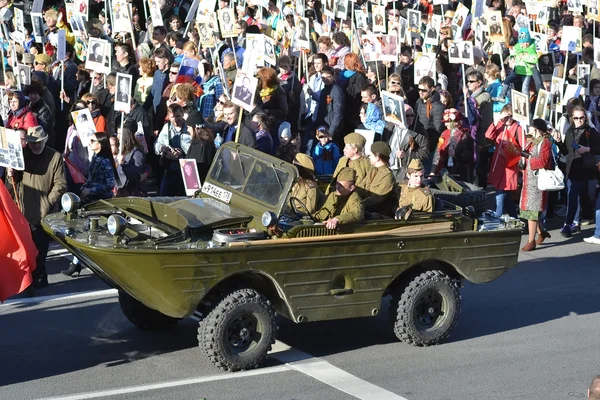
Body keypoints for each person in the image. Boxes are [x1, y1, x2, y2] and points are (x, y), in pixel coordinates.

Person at [3, 125, 66, 289]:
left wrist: (47, 202)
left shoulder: (55, 157)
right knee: (28, 247)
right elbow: (13, 184)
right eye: (32, 142)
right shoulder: (22, 155)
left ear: (44, 140)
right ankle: (37, 277)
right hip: (24, 210)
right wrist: (11, 174)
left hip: (44, 211)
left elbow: (60, 184)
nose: (36, 145)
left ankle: (37, 276)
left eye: (39, 142)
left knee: (40, 247)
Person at [555, 106, 600, 238]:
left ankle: (574, 223)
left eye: (581, 117)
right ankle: (572, 223)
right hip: (573, 170)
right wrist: (558, 142)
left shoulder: (591, 131)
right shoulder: (569, 131)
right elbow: (566, 151)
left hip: (587, 170)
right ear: (572, 118)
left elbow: (598, 148)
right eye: (576, 118)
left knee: (581, 197)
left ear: (585, 118)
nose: (579, 120)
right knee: (573, 197)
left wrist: (587, 149)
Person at [519, 119, 554, 251]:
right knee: (528, 211)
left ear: (536, 128)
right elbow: (525, 155)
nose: (528, 129)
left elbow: (544, 161)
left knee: (532, 211)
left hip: (538, 181)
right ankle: (541, 232)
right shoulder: (532, 141)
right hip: (529, 180)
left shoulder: (545, 142)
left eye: (530, 127)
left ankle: (531, 241)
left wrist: (528, 157)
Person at [485, 105, 523, 220]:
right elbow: (488, 135)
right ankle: (514, 218)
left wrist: (509, 149)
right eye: (507, 116)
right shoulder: (500, 126)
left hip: (509, 166)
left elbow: (522, 148)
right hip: (498, 165)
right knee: (506, 196)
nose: (509, 119)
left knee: (500, 193)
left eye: (511, 116)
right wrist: (497, 121)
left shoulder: (518, 128)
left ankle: (498, 217)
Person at [328, 132, 372, 197]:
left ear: (355, 150)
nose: (343, 150)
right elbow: (334, 179)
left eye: (347, 148)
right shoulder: (343, 160)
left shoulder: (366, 164)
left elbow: (364, 185)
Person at [363, 142, 395, 216]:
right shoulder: (373, 170)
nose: (369, 157)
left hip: (378, 213)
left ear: (377, 158)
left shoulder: (387, 176)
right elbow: (362, 187)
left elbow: (376, 199)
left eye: (370, 155)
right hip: (366, 208)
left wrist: (358, 205)